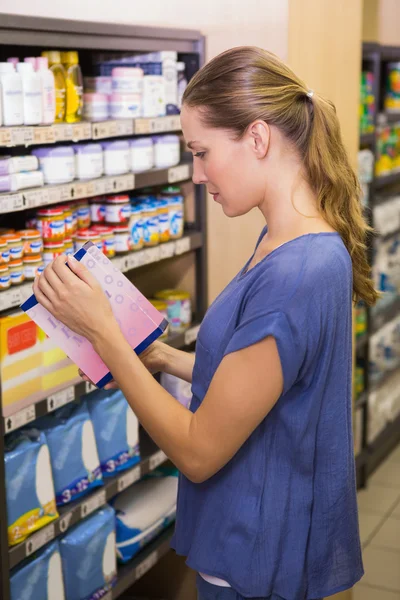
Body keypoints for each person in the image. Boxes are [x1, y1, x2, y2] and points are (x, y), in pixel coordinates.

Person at [33, 46, 377, 600]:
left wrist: (103, 335)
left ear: (258, 138)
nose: (196, 174)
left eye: (202, 152)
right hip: (258, 539)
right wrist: (162, 357)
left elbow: (197, 452)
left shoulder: (297, 271)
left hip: (262, 563)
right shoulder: (288, 241)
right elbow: (257, 383)